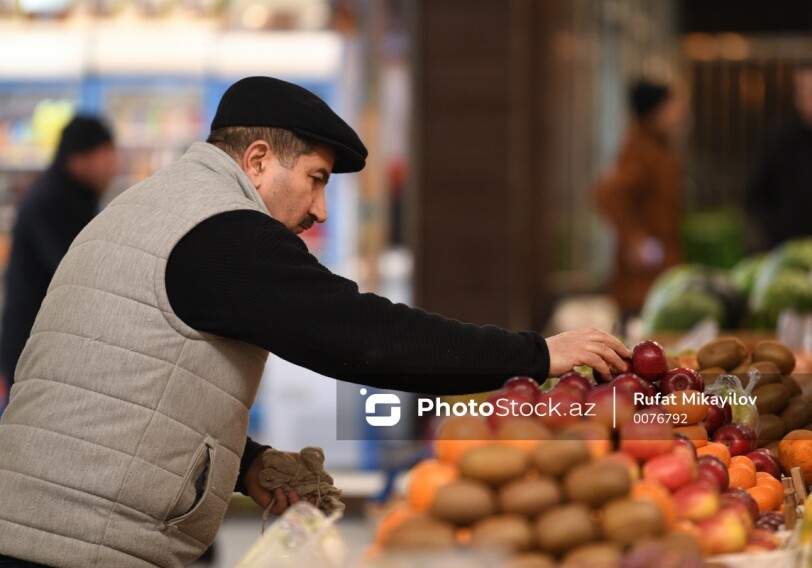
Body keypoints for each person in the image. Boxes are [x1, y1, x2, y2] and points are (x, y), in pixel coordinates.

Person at [0, 77, 628, 568]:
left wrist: (244, 462)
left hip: (35, 521)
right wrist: (536, 355)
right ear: (257, 160)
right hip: (85, 541)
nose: (320, 211)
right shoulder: (226, 231)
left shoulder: (150, 207)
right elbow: (367, 339)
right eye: (316, 180)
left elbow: (115, 382)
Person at [0, 116, 116, 394]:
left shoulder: (70, 195)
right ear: (79, 160)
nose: (113, 166)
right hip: (34, 347)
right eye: (107, 156)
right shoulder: (51, 201)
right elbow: (72, 269)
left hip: (44, 342)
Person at [595, 79, 685, 323]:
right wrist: (635, 239)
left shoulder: (658, 147)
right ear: (655, 111)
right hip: (643, 280)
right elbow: (608, 193)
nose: (679, 111)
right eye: (670, 104)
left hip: (660, 269)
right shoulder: (642, 150)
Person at [746, 63, 812, 249]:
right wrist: (778, 233)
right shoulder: (780, 137)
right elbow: (755, 195)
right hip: (789, 248)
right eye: (806, 92)